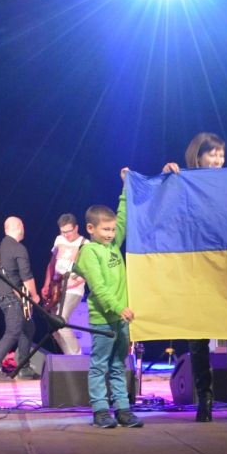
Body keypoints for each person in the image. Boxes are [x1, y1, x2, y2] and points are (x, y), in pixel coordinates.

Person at [166, 132, 227, 421]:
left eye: (221, 154)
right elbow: (168, 209)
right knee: (198, 334)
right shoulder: (184, 182)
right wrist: (167, 176)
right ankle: (204, 398)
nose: (218, 159)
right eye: (212, 154)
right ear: (198, 156)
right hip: (198, 267)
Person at [73, 180, 143, 429]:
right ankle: (100, 410)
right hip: (104, 319)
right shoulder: (89, 252)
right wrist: (117, 307)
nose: (111, 234)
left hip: (121, 319)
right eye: (105, 230)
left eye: (112, 230)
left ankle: (123, 409)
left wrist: (125, 187)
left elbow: (122, 218)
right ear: (90, 228)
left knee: (118, 365)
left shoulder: (113, 245)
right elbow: (99, 288)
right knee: (99, 365)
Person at [0, 216, 39, 381]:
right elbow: (27, 277)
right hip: (12, 298)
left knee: (28, 328)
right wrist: (34, 296)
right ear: (20, 227)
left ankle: (24, 367)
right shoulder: (19, 248)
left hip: (3, 296)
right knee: (14, 331)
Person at [45, 214, 87, 354]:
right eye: (63, 231)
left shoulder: (85, 244)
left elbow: (87, 271)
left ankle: (77, 355)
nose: (66, 235)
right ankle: (69, 357)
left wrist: (71, 283)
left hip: (73, 289)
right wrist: (47, 284)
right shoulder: (59, 240)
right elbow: (52, 263)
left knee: (61, 320)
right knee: (54, 325)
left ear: (76, 228)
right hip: (56, 288)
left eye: (69, 231)